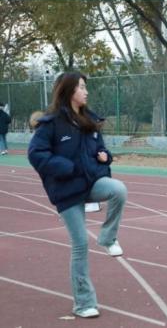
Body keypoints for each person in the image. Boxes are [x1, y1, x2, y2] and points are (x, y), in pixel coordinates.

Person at [27, 72, 128, 318]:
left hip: (90, 183)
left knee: (118, 190)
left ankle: (107, 238)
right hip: (67, 190)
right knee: (80, 244)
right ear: (69, 90)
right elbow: (36, 154)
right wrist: (66, 168)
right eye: (81, 87)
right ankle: (83, 304)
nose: (86, 91)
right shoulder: (51, 123)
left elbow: (100, 149)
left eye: (85, 87)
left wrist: (105, 157)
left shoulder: (90, 120)